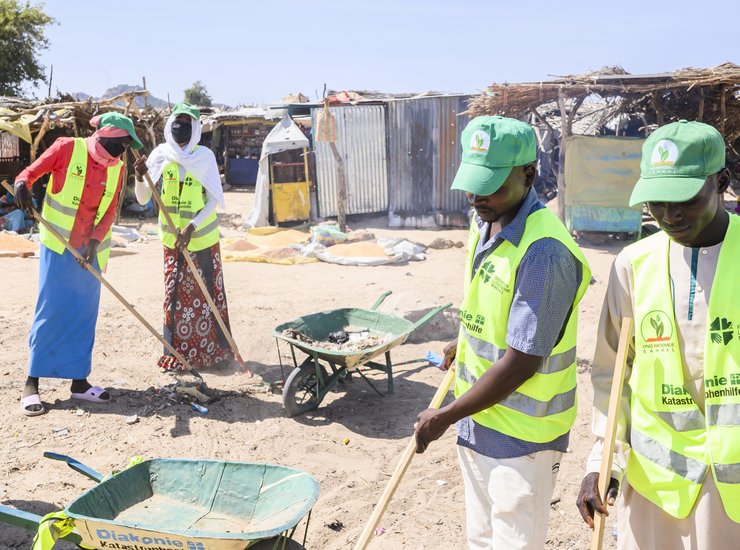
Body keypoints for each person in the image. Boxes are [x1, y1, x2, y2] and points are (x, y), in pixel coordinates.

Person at [414, 116, 592, 550]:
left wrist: (445, 415)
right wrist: (466, 342)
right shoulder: (484, 222)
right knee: (482, 538)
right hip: (480, 421)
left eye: (490, 185)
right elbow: (494, 311)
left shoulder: (544, 252)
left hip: (523, 438)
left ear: (528, 173)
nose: (476, 197)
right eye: (472, 183)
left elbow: (521, 363)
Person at [576, 120, 740, 549]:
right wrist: (601, 460)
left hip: (732, 496)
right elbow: (611, 375)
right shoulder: (633, 264)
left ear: (721, 181)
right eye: (656, 201)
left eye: (685, 197)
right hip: (654, 485)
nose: (670, 215)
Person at [14, 112, 142, 416]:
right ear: (108, 136)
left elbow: (110, 210)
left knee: (83, 314)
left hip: (91, 250)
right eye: (122, 144)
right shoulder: (66, 147)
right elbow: (30, 173)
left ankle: (79, 383)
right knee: (51, 308)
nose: (123, 151)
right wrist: (22, 185)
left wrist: (94, 244)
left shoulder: (118, 167)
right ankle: (32, 382)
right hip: (59, 244)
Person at [134, 103, 239, 373]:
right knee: (175, 298)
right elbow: (144, 199)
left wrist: (192, 226)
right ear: (170, 125)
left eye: (186, 123)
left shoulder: (203, 157)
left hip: (202, 241)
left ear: (194, 129)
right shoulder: (161, 156)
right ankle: (178, 356)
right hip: (172, 244)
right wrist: (139, 177)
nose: (180, 127)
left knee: (208, 299)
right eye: (176, 121)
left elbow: (213, 199)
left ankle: (215, 356)